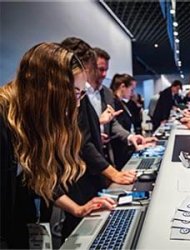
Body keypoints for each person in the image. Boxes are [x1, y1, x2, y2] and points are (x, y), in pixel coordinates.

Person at [0, 43, 115, 248]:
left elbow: (39, 177)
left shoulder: (33, 121)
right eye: (74, 93)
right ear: (47, 88)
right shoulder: (4, 120)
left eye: (80, 95)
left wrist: (77, 209)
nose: (77, 104)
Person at [60, 38, 139, 239]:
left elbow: (40, 175)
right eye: (96, 68)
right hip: (79, 174)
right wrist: (113, 173)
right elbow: (82, 141)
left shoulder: (101, 93)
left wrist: (77, 209)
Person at [110, 73, 137, 168]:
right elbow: (116, 129)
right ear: (122, 86)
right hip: (120, 153)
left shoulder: (122, 103)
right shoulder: (114, 103)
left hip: (125, 149)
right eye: (131, 89)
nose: (132, 93)